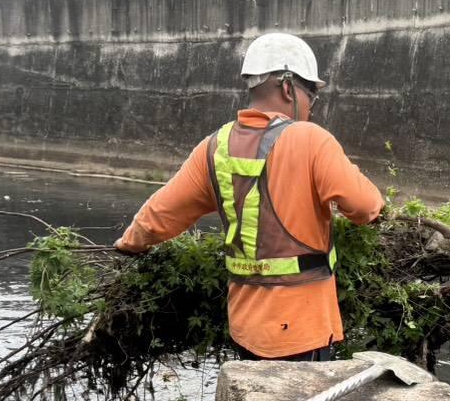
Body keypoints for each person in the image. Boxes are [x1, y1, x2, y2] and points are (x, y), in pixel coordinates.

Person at [113, 32, 384, 362]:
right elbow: (365, 207)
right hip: (302, 329)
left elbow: (161, 213)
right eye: (311, 97)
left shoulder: (214, 147)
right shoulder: (310, 140)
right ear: (288, 87)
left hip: (245, 327)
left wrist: (131, 243)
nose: (311, 108)